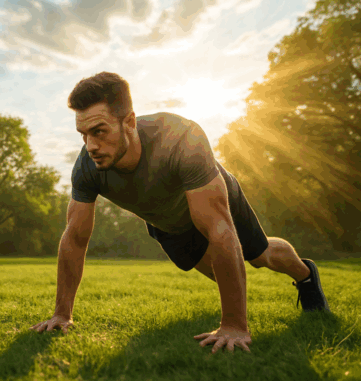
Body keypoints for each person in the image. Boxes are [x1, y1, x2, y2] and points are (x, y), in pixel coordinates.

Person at [31, 72, 330, 353]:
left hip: (214, 201)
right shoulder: (87, 168)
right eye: (83, 135)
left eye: (99, 131)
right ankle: (238, 295)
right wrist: (62, 314)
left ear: (130, 122)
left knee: (260, 257)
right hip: (167, 223)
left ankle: (305, 275)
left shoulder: (180, 138)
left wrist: (234, 326)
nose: (91, 146)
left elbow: (219, 230)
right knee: (220, 273)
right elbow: (75, 238)